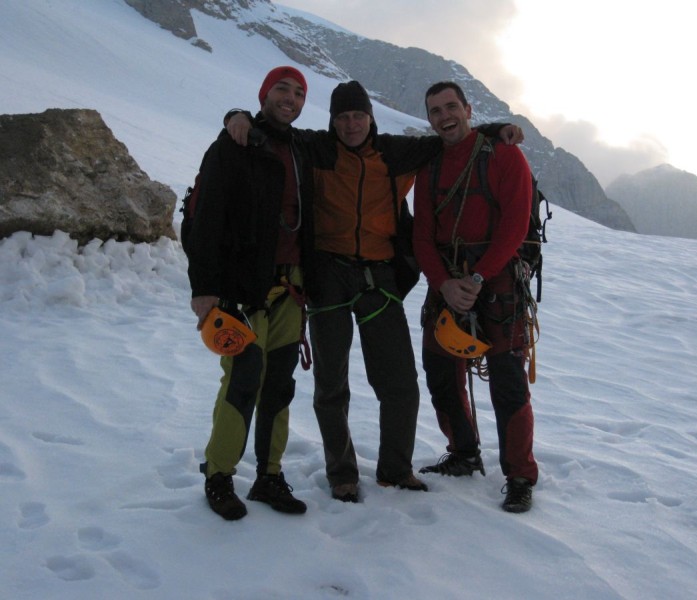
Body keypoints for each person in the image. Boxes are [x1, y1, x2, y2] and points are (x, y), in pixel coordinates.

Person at [226, 81, 523, 503]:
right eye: (342, 117)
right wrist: (236, 117)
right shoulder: (315, 149)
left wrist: (495, 130)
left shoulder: (394, 152)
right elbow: (273, 129)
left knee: (400, 381)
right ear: (332, 121)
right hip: (328, 275)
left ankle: (396, 469)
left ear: (370, 117)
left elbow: (452, 135)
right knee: (332, 384)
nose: (351, 125)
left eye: (358, 116)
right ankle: (342, 473)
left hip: (379, 277)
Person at [186, 66, 317, 520]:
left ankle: (269, 475)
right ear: (264, 94)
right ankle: (219, 475)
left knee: (279, 385)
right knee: (242, 379)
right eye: (282, 89)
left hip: (292, 286)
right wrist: (204, 289)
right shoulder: (234, 143)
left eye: (299, 92)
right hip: (244, 288)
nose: (291, 98)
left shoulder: (303, 148)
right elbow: (203, 219)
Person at [412, 81, 539, 513]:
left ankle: (519, 474)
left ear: (468, 109)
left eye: (451, 107)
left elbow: (516, 225)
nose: (445, 116)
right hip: (448, 280)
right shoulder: (428, 167)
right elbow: (422, 235)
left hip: (498, 281)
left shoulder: (506, 155)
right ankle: (464, 451)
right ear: (428, 119)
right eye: (435, 111)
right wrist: (445, 283)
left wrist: (478, 278)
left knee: (507, 380)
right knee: (439, 371)